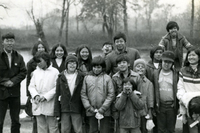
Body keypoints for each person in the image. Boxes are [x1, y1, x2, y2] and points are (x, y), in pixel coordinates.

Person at [0, 32, 27, 133]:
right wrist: (4, 82)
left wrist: (13, 81)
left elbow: (23, 72)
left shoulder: (19, 57)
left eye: (11, 41)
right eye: (7, 41)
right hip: (1, 93)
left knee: (16, 121)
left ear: (14, 42)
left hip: (15, 93)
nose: (9, 43)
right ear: (3, 42)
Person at [81, 56, 115, 133]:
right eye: (94, 67)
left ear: (103, 68)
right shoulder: (87, 78)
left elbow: (111, 94)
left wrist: (103, 108)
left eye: (99, 67)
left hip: (105, 111)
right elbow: (83, 94)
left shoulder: (107, 78)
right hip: (91, 110)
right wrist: (88, 107)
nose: (96, 69)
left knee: (105, 130)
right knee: (92, 130)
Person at [28, 51, 59, 133]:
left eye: (40, 61)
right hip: (38, 102)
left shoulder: (55, 72)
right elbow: (31, 86)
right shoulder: (35, 72)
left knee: (53, 127)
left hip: (50, 102)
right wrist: (35, 95)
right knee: (41, 127)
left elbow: (57, 87)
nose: (38, 64)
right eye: (36, 62)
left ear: (46, 60)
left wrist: (46, 97)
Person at [54, 54, 85, 133]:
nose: (72, 65)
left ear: (77, 65)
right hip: (64, 108)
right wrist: (57, 111)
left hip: (77, 108)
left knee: (78, 129)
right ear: (66, 64)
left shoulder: (81, 76)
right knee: (65, 129)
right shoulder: (61, 77)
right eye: (70, 63)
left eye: (74, 63)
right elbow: (57, 94)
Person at [112, 55, 142, 133]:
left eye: (124, 62)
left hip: (134, 108)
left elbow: (141, 93)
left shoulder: (136, 76)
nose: (122, 64)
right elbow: (113, 95)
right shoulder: (114, 77)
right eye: (119, 63)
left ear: (128, 64)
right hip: (121, 108)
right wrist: (114, 111)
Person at [26, 40, 48, 133]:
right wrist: (29, 95)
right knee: (36, 117)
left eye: (42, 47)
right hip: (36, 93)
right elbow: (28, 81)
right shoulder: (31, 63)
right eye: (39, 47)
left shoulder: (49, 61)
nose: (41, 49)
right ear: (35, 49)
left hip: (47, 92)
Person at [154, 51, 178, 133]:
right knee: (161, 129)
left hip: (171, 106)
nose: (167, 64)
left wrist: (176, 104)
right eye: (165, 61)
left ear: (172, 63)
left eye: (169, 62)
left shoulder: (175, 74)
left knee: (171, 129)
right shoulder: (156, 73)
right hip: (160, 105)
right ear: (161, 61)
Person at [177, 47, 200, 133]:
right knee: (191, 130)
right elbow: (180, 88)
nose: (191, 57)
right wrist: (184, 99)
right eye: (189, 55)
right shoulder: (183, 70)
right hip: (188, 106)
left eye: (193, 55)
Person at [145, 46, 164, 133]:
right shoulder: (147, 66)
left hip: (162, 94)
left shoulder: (165, 65)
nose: (159, 54)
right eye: (156, 52)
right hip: (151, 95)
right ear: (152, 54)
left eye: (160, 52)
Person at [133, 59, 154, 133]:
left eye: (142, 67)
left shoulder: (149, 83)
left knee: (143, 129)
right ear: (134, 68)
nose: (140, 68)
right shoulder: (130, 80)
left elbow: (150, 99)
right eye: (138, 66)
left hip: (143, 111)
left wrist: (150, 111)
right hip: (132, 111)